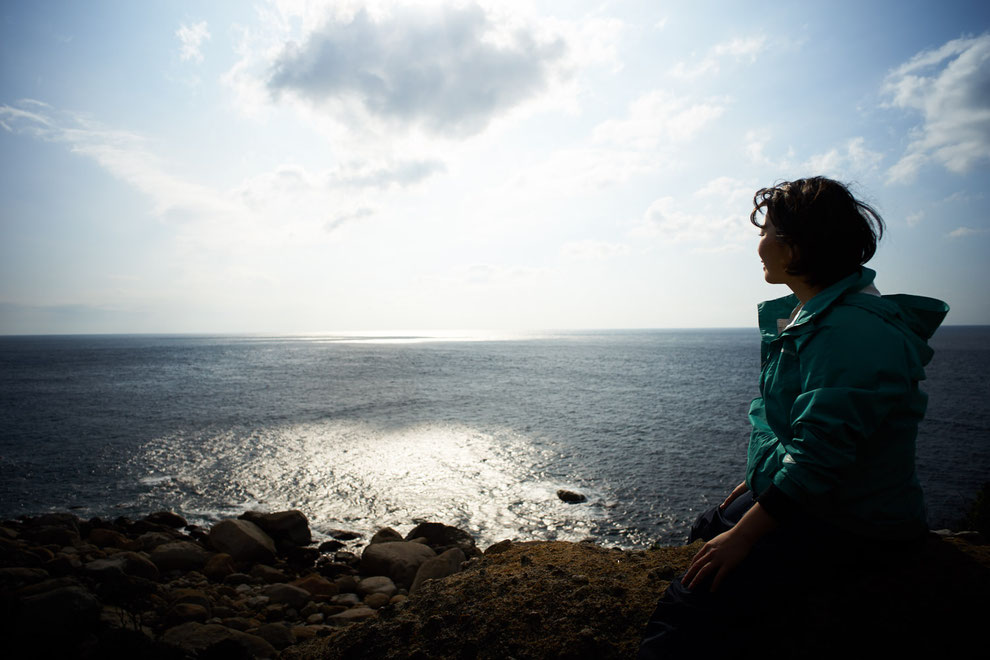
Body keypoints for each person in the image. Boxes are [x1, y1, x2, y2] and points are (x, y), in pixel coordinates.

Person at [638, 176, 949, 657]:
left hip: (855, 522)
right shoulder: (819, 314)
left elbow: (823, 459)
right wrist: (761, 476)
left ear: (798, 246)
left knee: (688, 608)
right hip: (827, 502)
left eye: (767, 230)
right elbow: (799, 429)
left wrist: (744, 537)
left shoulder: (851, 331)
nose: (759, 244)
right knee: (706, 528)